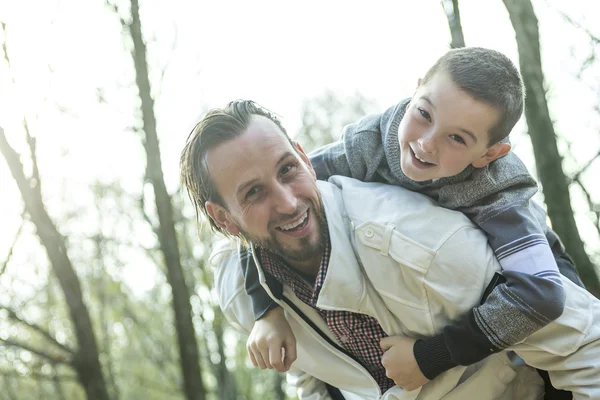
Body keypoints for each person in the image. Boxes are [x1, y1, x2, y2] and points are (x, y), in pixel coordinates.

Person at [180, 99, 600, 399]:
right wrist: (266, 311)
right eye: (254, 192)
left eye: (287, 169)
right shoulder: (240, 296)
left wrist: (436, 355)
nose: (288, 202)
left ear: (306, 160)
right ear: (225, 220)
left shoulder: (423, 244)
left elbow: (588, 346)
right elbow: (311, 374)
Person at [240, 47, 586, 390]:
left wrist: (432, 356)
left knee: (558, 360)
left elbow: (542, 293)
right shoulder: (367, 144)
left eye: (456, 138)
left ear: (489, 154)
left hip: (531, 278)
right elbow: (265, 211)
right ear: (416, 90)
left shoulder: (497, 189)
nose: (426, 143)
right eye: (424, 113)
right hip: (423, 301)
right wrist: (266, 309)